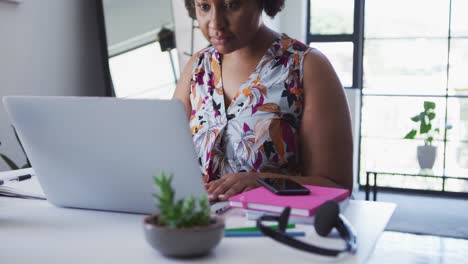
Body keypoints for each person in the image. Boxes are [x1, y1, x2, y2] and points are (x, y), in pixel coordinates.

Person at [174, 0, 353, 202]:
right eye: (204, 7)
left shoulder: (306, 67)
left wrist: (265, 182)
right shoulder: (197, 68)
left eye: (231, 5)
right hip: (200, 227)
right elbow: (167, 157)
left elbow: (338, 185)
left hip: (277, 226)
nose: (216, 23)